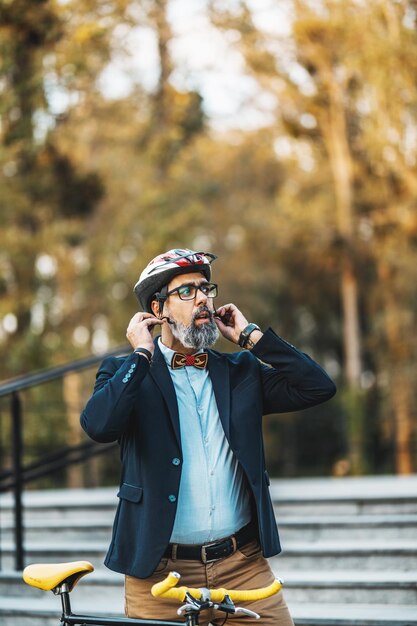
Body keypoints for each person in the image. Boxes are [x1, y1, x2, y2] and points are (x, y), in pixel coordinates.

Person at [80, 248, 336, 626]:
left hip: (243, 566)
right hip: (159, 576)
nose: (203, 298)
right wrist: (140, 354)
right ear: (158, 308)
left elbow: (317, 387)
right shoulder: (128, 372)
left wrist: (251, 337)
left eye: (206, 288)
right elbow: (99, 425)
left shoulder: (240, 370)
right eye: (187, 292)